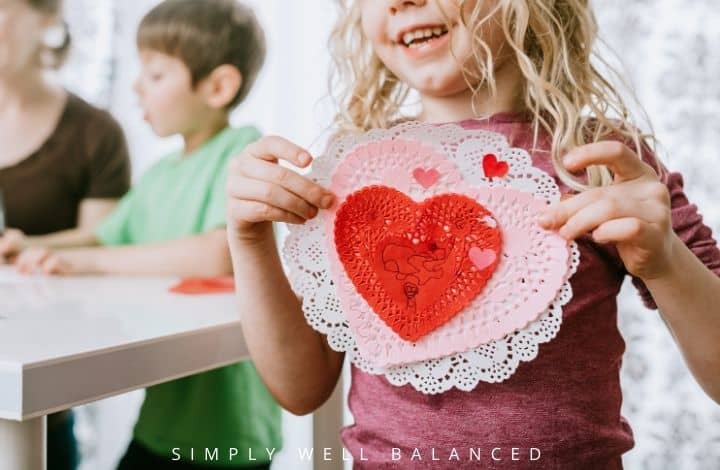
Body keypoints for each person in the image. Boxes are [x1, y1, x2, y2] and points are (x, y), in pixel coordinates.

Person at [224, 0, 720, 468]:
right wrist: (248, 240)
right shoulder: (354, 173)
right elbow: (302, 388)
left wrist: (666, 261)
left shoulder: (603, 161)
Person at [16, 1, 282, 468]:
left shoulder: (242, 152)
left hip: (226, 434)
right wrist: (32, 245)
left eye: (156, 75)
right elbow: (101, 236)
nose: (137, 86)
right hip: (161, 423)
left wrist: (86, 262)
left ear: (218, 86)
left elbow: (219, 254)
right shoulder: (160, 173)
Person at [0, 1, 131, 468]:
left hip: (40, 408)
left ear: (48, 19)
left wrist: (31, 246)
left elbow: (102, 241)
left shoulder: (96, 133)